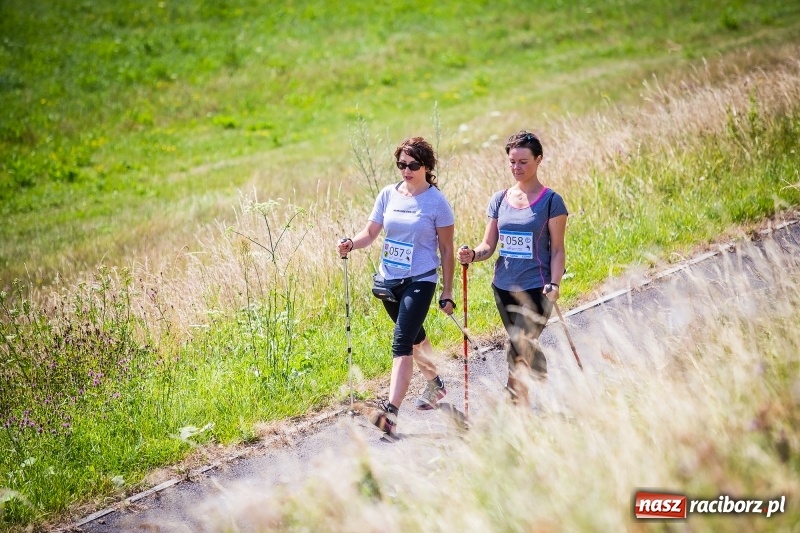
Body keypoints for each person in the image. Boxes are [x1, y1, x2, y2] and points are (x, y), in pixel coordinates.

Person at [337, 136, 456, 437]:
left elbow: (446, 249)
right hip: (389, 281)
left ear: (427, 166)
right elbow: (371, 232)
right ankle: (436, 385)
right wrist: (352, 243)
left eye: (412, 165)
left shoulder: (436, 203)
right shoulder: (389, 194)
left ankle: (390, 413)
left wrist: (447, 291)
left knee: (401, 343)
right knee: (415, 338)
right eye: (401, 164)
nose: (405, 170)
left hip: (421, 279)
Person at [457, 131, 567, 407]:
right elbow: (488, 246)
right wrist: (472, 255)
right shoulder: (499, 199)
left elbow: (557, 249)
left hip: (538, 287)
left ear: (539, 160)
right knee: (522, 345)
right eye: (512, 162)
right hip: (503, 287)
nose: (517, 168)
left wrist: (555, 283)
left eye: (523, 162)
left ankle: (514, 404)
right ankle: (532, 375)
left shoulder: (552, 201)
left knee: (517, 347)